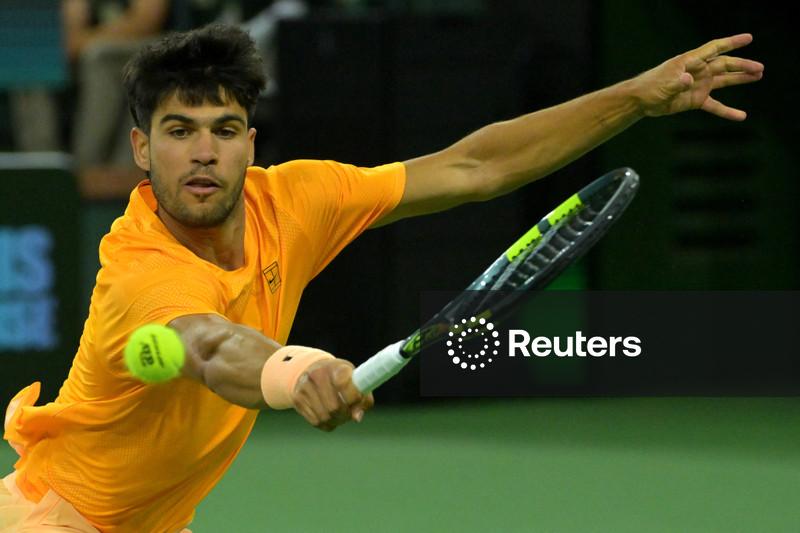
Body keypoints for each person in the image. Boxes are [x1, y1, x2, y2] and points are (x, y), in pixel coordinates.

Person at [0, 23, 762, 532]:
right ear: (140, 148)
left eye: (224, 130)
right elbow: (207, 346)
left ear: (250, 143)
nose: (204, 153)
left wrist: (636, 96)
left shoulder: (296, 199)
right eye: (178, 132)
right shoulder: (139, 266)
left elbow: (474, 165)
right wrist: (294, 370)